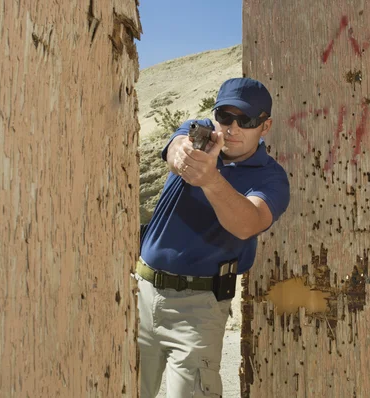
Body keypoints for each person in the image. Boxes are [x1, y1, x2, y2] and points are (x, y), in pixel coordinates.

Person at [136, 77, 290, 397]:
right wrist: (185, 157)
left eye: (245, 120)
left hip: (199, 309)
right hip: (142, 294)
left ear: (265, 126)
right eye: (225, 116)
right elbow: (177, 149)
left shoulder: (271, 177)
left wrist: (210, 179)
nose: (232, 127)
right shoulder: (200, 131)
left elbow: (249, 222)